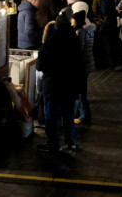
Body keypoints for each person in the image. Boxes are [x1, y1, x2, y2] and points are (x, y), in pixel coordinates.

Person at [36, 16, 82, 152]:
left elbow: (40, 65)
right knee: (68, 115)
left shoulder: (51, 43)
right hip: (70, 84)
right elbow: (80, 64)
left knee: (51, 114)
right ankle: (71, 142)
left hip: (53, 84)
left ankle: (54, 143)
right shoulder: (75, 42)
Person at [71, 1, 94, 126]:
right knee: (80, 91)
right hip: (87, 63)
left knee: (80, 92)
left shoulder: (81, 31)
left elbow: (79, 49)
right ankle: (78, 113)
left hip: (82, 65)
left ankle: (84, 115)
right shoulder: (89, 26)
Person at [98, 0, 121, 69]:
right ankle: (112, 63)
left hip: (110, 25)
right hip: (108, 26)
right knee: (109, 44)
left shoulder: (108, 0)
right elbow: (105, 12)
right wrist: (116, 12)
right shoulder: (106, 1)